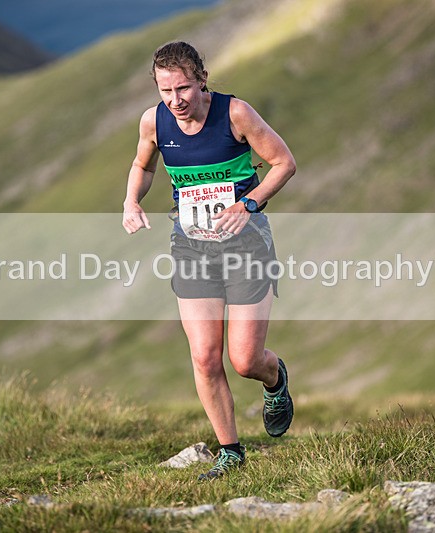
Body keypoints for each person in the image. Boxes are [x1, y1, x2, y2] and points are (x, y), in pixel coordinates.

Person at [122, 41, 296, 481]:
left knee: (244, 360)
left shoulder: (235, 114)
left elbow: (283, 163)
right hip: (192, 247)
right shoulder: (154, 121)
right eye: (165, 90)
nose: (175, 100)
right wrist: (131, 200)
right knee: (204, 357)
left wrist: (249, 204)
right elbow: (143, 166)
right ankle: (230, 451)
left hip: (247, 246)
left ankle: (274, 380)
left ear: (202, 80)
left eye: (183, 88)